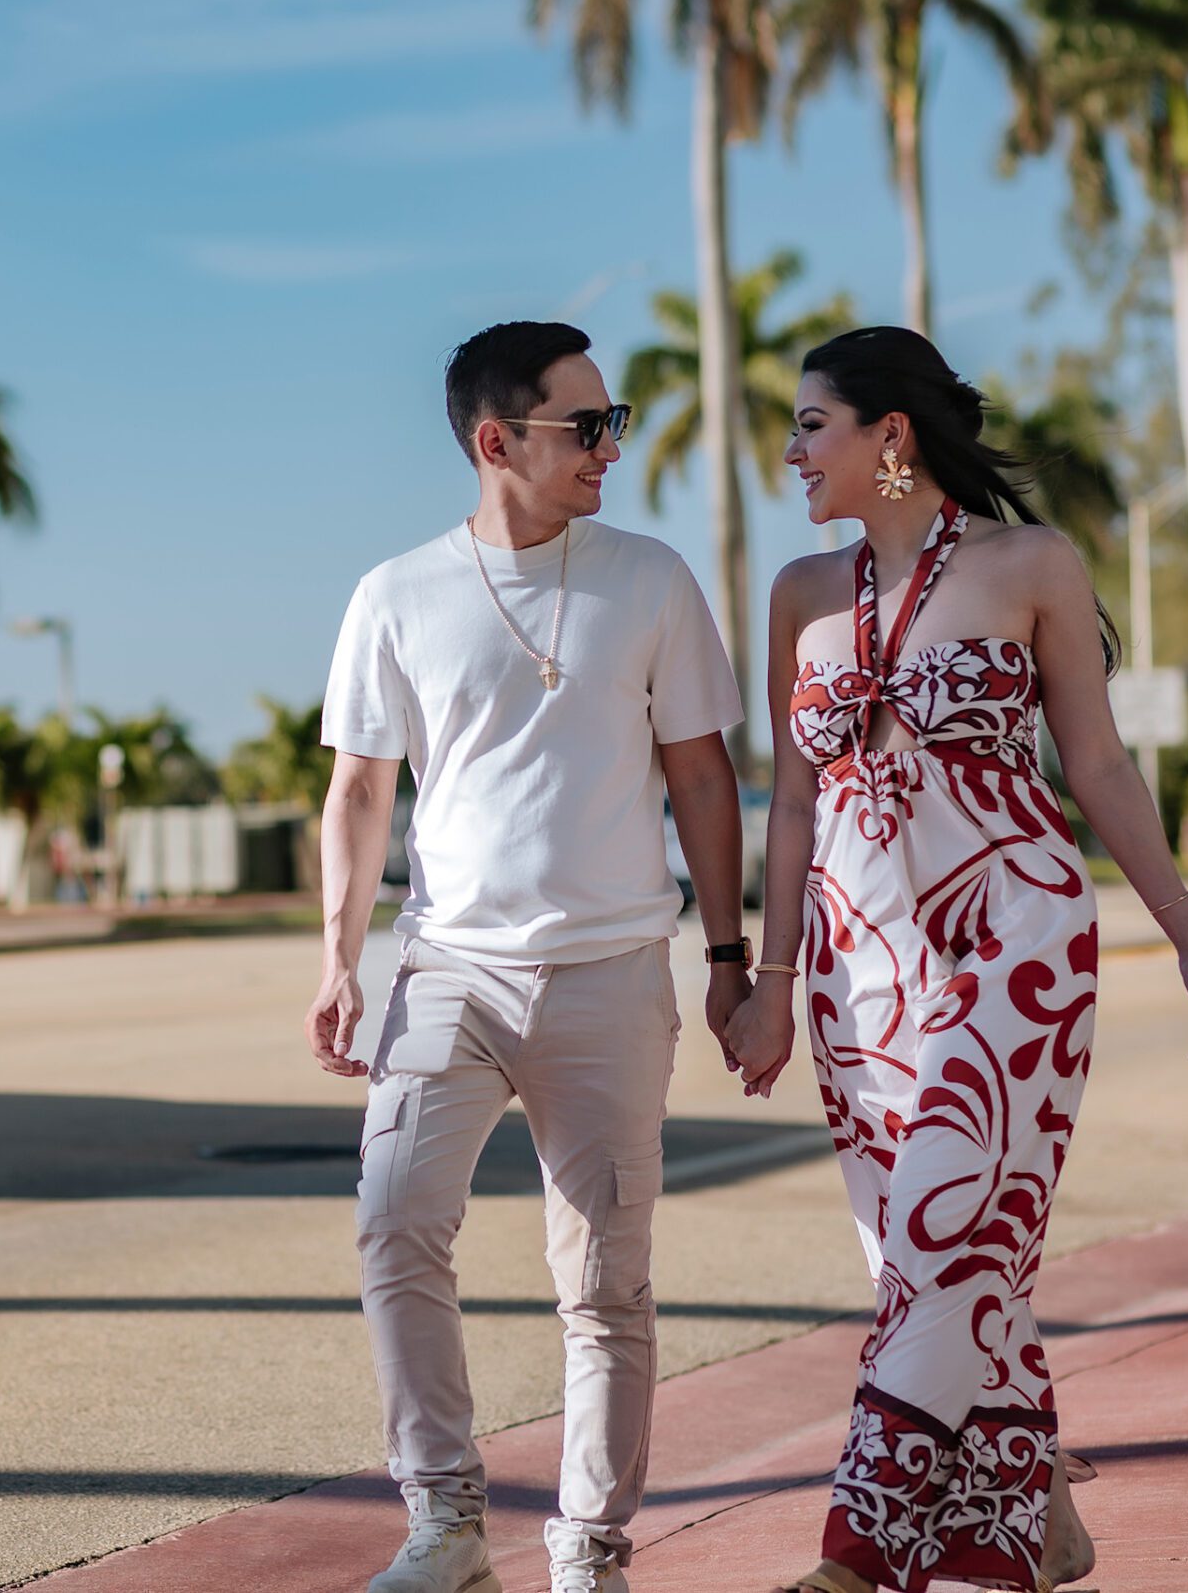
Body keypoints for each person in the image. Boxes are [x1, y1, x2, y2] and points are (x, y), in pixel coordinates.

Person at [724, 327, 1188, 1593]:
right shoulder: (800, 593)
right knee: (930, 1260)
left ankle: (859, 1552)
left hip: (1014, 938)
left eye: (811, 425)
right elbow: (790, 805)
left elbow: (1097, 763)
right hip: (857, 970)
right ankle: (1040, 1518)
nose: (790, 451)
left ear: (889, 436)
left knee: (948, 1234)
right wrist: (773, 985)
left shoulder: (1029, 563)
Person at [310, 321, 751, 1593]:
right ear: (497, 441)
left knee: (604, 1283)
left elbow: (702, 778)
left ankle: (590, 1552)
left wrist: (727, 955)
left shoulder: (651, 579)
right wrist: (338, 961)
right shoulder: (395, 594)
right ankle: (445, 1524)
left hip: (613, 969)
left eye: (615, 422)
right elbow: (359, 792)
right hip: (446, 969)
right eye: (587, 426)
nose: (612, 447)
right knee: (395, 1226)